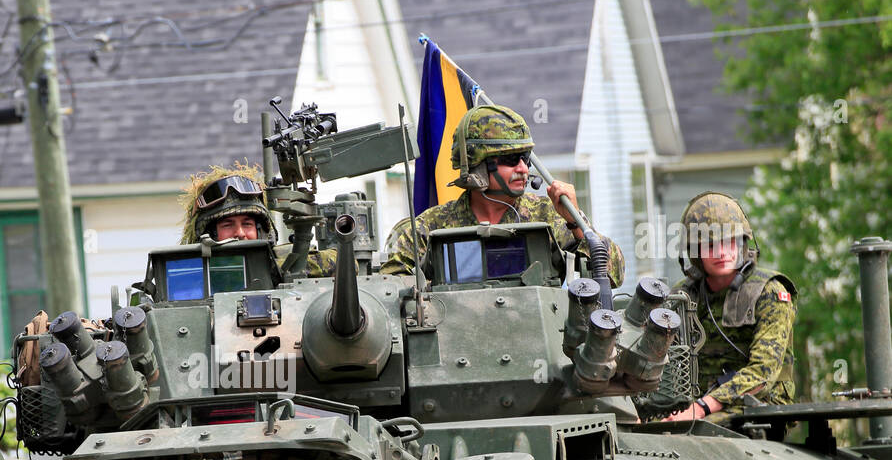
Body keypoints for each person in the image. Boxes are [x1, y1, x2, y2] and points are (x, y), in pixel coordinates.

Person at [383, 104, 624, 286]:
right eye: (510, 159)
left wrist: (576, 221)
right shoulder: (428, 229)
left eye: (525, 159)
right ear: (476, 165)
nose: (522, 168)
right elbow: (388, 293)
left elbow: (614, 275)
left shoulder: (548, 217)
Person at [660, 192, 796, 422]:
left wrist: (702, 407)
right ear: (695, 253)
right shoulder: (682, 297)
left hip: (760, 405)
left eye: (728, 241)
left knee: (694, 430)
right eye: (710, 245)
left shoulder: (769, 291)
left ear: (742, 243)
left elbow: (762, 373)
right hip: (694, 405)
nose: (721, 252)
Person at [181, 163, 339, 275]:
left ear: (261, 231)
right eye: (227, 225)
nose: (240, 233)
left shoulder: (278, 261)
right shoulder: (192, 273)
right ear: (209, 233)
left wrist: (273, 269)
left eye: (247, 224)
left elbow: (342, 262)